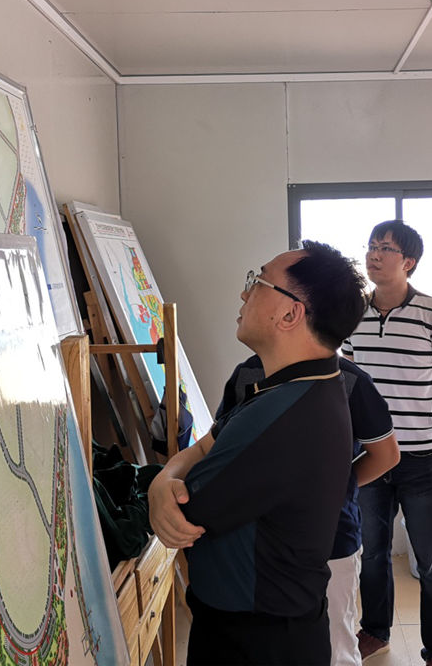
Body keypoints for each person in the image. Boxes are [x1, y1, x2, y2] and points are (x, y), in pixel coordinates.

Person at [147, 241, 368, 665]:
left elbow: (184, 512)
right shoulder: (296, 386)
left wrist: (164, 484)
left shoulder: (285, 417)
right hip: (271, 625)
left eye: (258, 282)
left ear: (290, 314)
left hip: (257, 640)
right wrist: (164, 478)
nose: (244, 293)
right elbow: (206, 444)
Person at [216, 354, 399, 666]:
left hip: (331, 541)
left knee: (334, 644)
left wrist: (334, 487)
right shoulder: (247, 373)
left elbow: (386, 455)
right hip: (260, 540)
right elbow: (223, 446)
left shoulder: (349, 378)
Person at [342, 220, 432, 666]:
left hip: (421, 457)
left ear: (408, 262)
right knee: (372, 552)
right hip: (370, 454)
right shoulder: (353, 314)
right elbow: (349, 380)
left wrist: (412, 416)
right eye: (371, 246)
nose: (374, 254)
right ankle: (376, 631)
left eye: (385, 248)